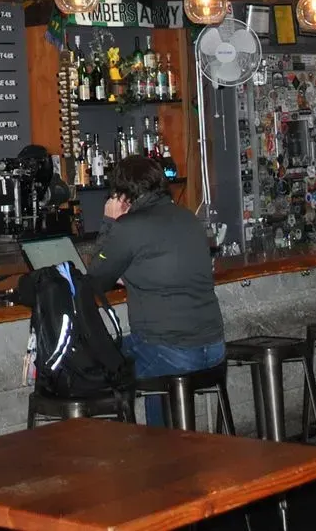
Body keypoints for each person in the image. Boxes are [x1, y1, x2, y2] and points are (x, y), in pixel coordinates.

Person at [91, 154, 224, 423]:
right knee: (149, 352)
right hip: (214, 349)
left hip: (174, 353)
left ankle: (136, 450)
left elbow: (96, 278)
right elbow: (161, 267)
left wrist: (109, 222)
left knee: (99, 358)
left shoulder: (129, 227)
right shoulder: (188, 219)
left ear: (123, 196)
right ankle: (163, 446)